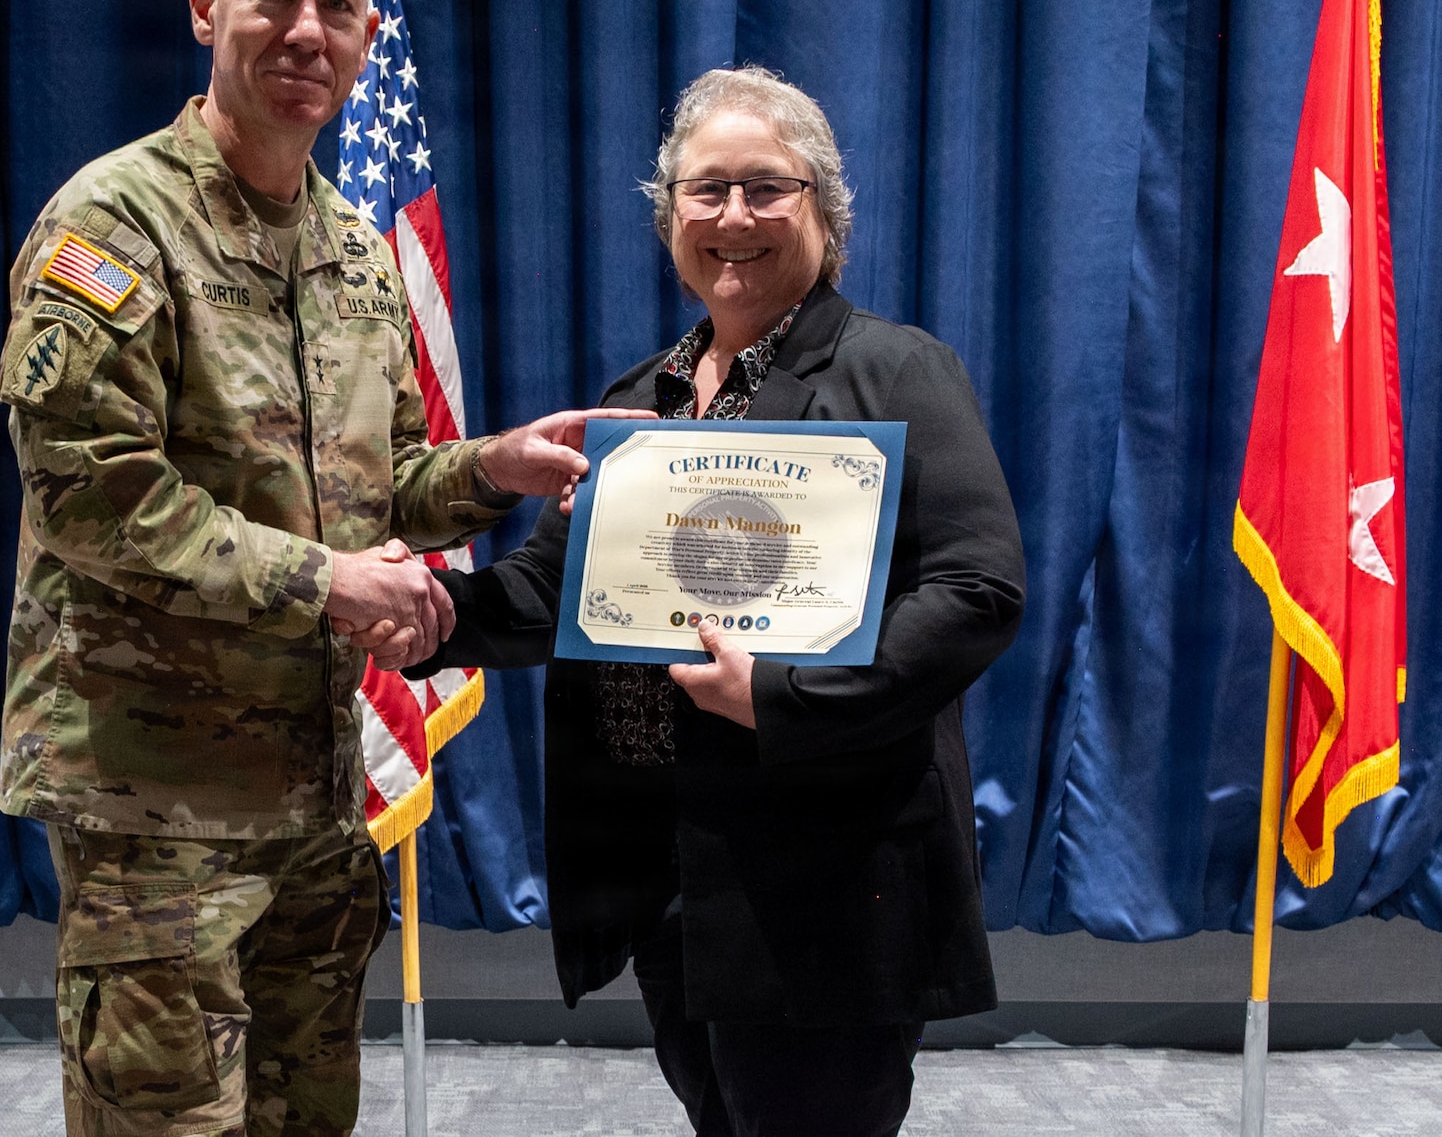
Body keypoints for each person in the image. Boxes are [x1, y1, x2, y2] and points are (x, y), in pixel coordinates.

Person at [0, 0, 637, 1137]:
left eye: (336, 7)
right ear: (205, 7)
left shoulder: (349, 247)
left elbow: (381, 483)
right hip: (154, 803)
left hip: (314, 791)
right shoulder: (114, 224)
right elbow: (91, 494)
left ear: (365, 32)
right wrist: (328, 583)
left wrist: (492, 467)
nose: (306, 33)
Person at [391, 66, 1027, 1137]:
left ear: (821, 209)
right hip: (664, 866)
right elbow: (554, 592)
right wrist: (434, 612)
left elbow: (978, 590)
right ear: (669, 215)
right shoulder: (640, 397)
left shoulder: (897, 371)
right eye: (706, 190)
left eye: (766, 189)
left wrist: (783, 696)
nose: (733, 217)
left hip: (827, 875)